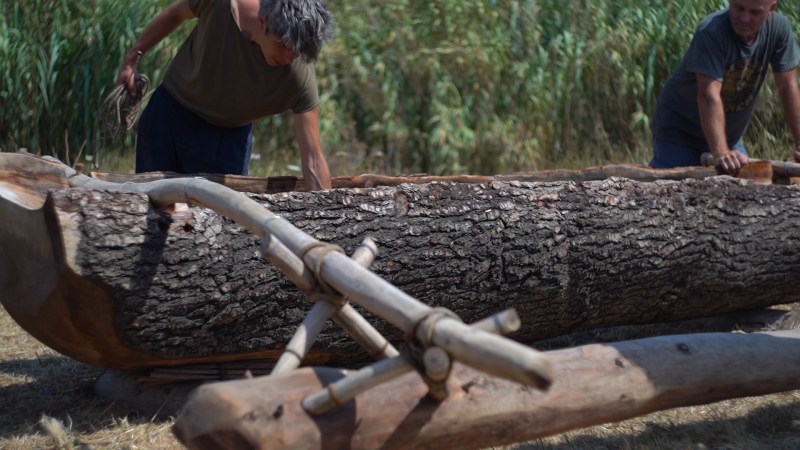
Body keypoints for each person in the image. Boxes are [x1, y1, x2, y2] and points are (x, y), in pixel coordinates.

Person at [116, 0, 335, 190]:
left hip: (227, 141)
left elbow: (313, 160)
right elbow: (174, 14)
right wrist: (131, 60)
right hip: (169, 117)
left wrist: (326, 221)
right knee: (150, 213)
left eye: (296, 51)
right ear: (262, 22)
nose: (288, 57)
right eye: (282, 45)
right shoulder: (223, 6)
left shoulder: (299, 77)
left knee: (220, 227)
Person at [649, 0, 800, 175]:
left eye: (754, 13)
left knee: (741, 193)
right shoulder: (711, 31)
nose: (744, 18)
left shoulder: (778, 29)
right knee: (672, 193)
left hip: (729, 137)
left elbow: (788, 87)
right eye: (739, 8)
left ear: (771, 9)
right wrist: (721, 153)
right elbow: (708, 96)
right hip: (681, 131)